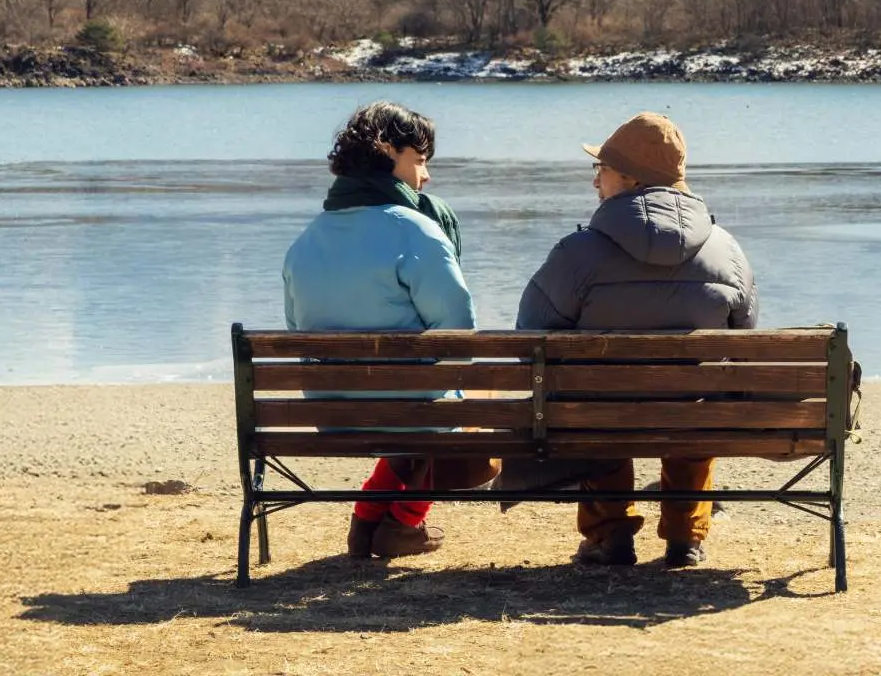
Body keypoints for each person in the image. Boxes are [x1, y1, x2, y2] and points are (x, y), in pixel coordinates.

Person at [515, 112, 757, 569]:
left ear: (628, 179)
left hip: (599, 418)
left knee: (591, 401)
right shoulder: (727, 250)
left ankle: (611, 534)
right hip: (694, 416)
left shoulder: (576, 253)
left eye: (599, 170)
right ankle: (685, 536)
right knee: (698, 399)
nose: (594, 182)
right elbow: (743, 339)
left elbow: (532, 335)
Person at [283, 101, 484, 561]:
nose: (426, 175)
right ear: (388, 150)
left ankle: (368, 521)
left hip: (332, 411)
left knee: (417, 401)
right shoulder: (417, 231)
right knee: (463, 403)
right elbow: (458, 332)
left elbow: (297, 328)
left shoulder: (306, 239)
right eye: (420, 159)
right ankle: (402, 522)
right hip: (408, 409)